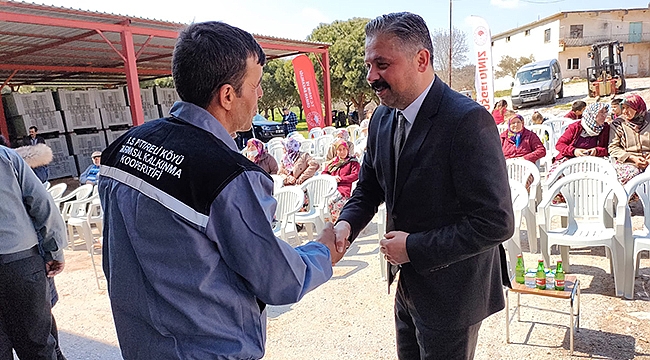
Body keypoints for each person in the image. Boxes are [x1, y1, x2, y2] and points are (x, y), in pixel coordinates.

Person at [98, 21, 341, 359]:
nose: (260, 96)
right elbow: (278, 279)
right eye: (255, 86)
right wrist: (323, 253)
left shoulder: (121, 150)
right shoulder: (228, 176)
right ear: (228, 95)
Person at [332, 12, 514, 359]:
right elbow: (370, 188)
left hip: (454, 295)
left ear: (422, 59)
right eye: (369, 64)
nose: (371, 76)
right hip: (407, 284)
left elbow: (495, 222)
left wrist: (414, 248)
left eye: (382, 64)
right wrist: (346, 224)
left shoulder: (467, 121)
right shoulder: (382, 116)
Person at [0, 145, 66, 359]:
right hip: (20, 263)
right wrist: (54, 251)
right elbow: (41, 203)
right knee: (38, 346)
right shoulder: (6, 156)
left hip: (19, 263)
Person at [608, 93, 650, 185]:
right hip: (628, 162)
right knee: (627, 178)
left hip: (648, 160)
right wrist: (632, 158)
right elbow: (613, 147)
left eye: (628, 108)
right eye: (623, 108)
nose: (624, 112)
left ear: (637, 107)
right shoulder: (618, 124)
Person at [321, 140, 360, 222]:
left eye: (344, 149)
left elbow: (356, 175)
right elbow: (324, 173)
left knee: (333, 201)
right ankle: (330, 222)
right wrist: (333, 178)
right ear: (336, 151)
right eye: (339, 150)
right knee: (323, 200)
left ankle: (339, 222)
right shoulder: (334, 162)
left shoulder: (352, 162)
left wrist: (341, 179)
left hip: (344, 188)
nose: (342, 152)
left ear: (347, 150)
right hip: (332, 188)